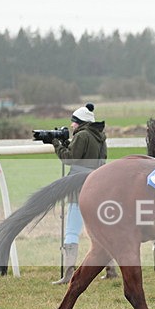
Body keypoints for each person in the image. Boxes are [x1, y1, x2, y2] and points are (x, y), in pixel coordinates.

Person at [50, 103, 109, 284]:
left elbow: (70, 159)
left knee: (71, 230)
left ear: (80, 122)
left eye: (74, 122)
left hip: (80, 187)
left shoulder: (82, 135)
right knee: (105, 231)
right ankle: (111, 270)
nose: (71, 125)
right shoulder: (99, 136)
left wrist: (56, 145)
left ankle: (68, 273)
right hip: (99, 184)